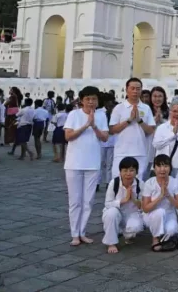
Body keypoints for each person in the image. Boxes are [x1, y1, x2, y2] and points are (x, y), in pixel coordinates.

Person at [64, 86, 109, 246]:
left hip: (93, 163)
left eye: (94, 99)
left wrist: (94, 125)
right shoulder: (74, 114)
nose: (91, 102)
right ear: (82, 100)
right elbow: (68, 136)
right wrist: (86, 125)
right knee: (75, 200)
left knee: (88, 201)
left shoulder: (102, 115)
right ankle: (74, 234)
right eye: (88, 99)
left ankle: (82, 232)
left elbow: (105, 138)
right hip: (73, 163)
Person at [109, 78, 155, 181]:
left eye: (138, 89)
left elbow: (151, 130)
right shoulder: (119, 108)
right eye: (132, 88)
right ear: (126, 89)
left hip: (140, 152)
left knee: (137, 185)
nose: (135, 91)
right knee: (118, 183)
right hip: (121, 152)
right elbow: (112, 129)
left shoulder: (146, 108)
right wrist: (129, 120)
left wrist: (139, 120)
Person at [102, 157, 145, 254]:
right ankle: (111, 243)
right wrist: (123, 200)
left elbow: (143, 206)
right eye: (125, 170)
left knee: (135, 227)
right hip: (117, 212)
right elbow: (108, 203)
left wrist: (132, 198)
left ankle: (123, 233)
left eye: (131, 170)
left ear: (136, 172)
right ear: (120, 171)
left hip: (132, 213)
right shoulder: (114, 183)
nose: (128, 174)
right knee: (111, 213)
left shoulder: (140, 184)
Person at [142, 154, 178, 251]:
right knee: (160, 212)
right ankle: (155, 239)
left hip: (169, 214)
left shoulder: (175, 182)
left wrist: (168, 195)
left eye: (165, 166)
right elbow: (145, 208)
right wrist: (160, 196)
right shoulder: (149, 183)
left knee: (171, 230)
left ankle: (165, 237)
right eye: (159, 166)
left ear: (170, 168)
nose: (162, 169)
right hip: (152, 214)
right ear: (154, 168)